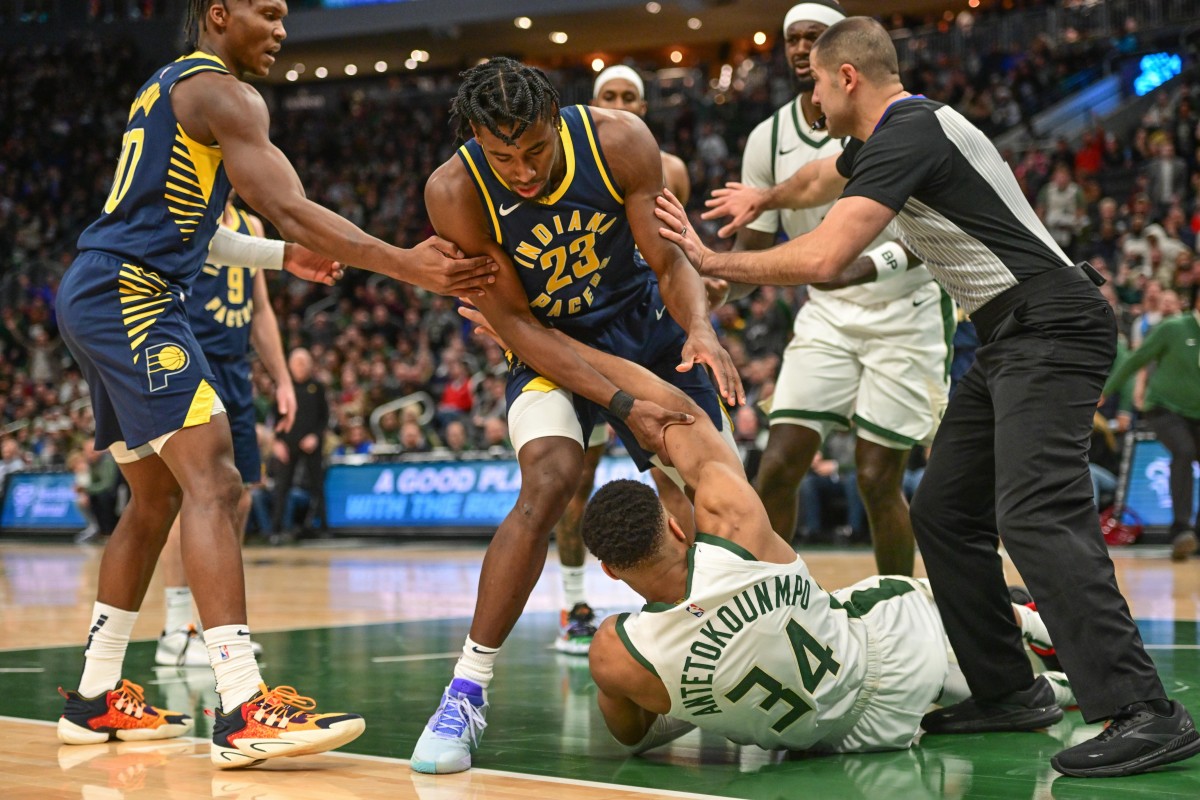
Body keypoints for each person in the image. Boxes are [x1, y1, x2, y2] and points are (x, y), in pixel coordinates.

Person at [658, 16, 1198, 779]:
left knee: (1036, 513)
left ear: (848, 77)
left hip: (1050, 323)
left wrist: (715, 259)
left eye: (815, 78)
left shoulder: (910, 131)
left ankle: (1145, 710)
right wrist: (764, 199)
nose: (807, 91)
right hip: (1011, 332)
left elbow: (828, 252)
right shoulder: (893, 137)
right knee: (944, 512)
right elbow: (818, 181)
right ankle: (1009, 690)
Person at [53, 0, 496, 768]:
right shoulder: (225, 92)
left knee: (157, 496)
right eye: (270, 12)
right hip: (133, 294)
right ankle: (240, 706)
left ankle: (95, 697)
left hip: (99, 287)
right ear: (219, 13)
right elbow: (287, 205)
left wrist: (278, 259)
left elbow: (191, 226)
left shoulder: (170, 89)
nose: (284, 30)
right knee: (217, 483)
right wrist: (406, 264)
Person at [411, 56, 742, 774]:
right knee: (550, 480)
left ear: (558, 120)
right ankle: (466, 690)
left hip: (643, 331)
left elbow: (667, 260)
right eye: (504, 157)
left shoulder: (617, 141)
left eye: (534, 150)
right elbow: (519, 328)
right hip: (546, 349)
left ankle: (728, 655)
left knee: (706, 499)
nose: (523, 171)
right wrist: (619, 402)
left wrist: (700, 328)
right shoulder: (454, 190)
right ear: (474, 137)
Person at [528, 331, 1076, 755]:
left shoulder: (614, 652)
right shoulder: (734, 524)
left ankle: (1055, 685)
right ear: (674, 526)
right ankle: (1038, 626)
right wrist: (568, 350)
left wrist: (707, 690)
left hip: (836, 742)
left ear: (611, 573)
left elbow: (634, 735)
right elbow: (683, 413)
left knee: (990, 684)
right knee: (895, 594)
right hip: (893, 663)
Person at [705, 0, 951, 576]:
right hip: (827, 313)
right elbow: (757, 253)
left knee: (876, 475)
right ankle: (765, 596)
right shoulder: (767, 140)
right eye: (792, 39)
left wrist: (862, 268)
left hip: (906, 308)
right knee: (779, 464)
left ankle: (899, 601)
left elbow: (936, 231)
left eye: (812, 38)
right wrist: (720, 287)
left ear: (844, 61)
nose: (797, 48)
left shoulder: (896, 122)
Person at [540, 64, 700, 660]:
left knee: (673, 471)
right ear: (594, 103)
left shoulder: (665, 167)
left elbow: (677, 253)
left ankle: (695, 598)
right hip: (580, 329)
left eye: (632, 96)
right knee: (574, 480)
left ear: (646, 106)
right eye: (611, 96)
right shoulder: (578, 160)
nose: (622, 104)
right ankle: (576, 604)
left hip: (642, 323)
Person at [154, 198, 291, 667]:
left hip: (235, 371)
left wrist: (283, 377)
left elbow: (262, 311)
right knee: (192, 496)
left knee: (242, 497)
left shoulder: (251, 221)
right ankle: (177, 630)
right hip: (192, 361)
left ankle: (216, 628)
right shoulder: (187, 214)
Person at [1102, 287, 1200, 561]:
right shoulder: (1174, 328)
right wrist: (1107, 390)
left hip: (1197, 413)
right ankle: (1180, 531)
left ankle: (1196, 536)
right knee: (1183, 451)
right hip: (1164, 409)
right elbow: (1137, 358)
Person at [270, 348, 329, 539]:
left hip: (311, 442)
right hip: (288, 443)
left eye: (304, 362)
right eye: (297, 362)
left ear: (311, 365)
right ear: (290, 365)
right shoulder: (283, 388)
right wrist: (277, 442)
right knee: (282, 487)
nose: (301, 367)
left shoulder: (317, 387)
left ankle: (323, 528)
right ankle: (276, 529)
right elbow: (275, 418)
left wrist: (316, 436)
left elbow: (324, 417)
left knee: (317, 485)